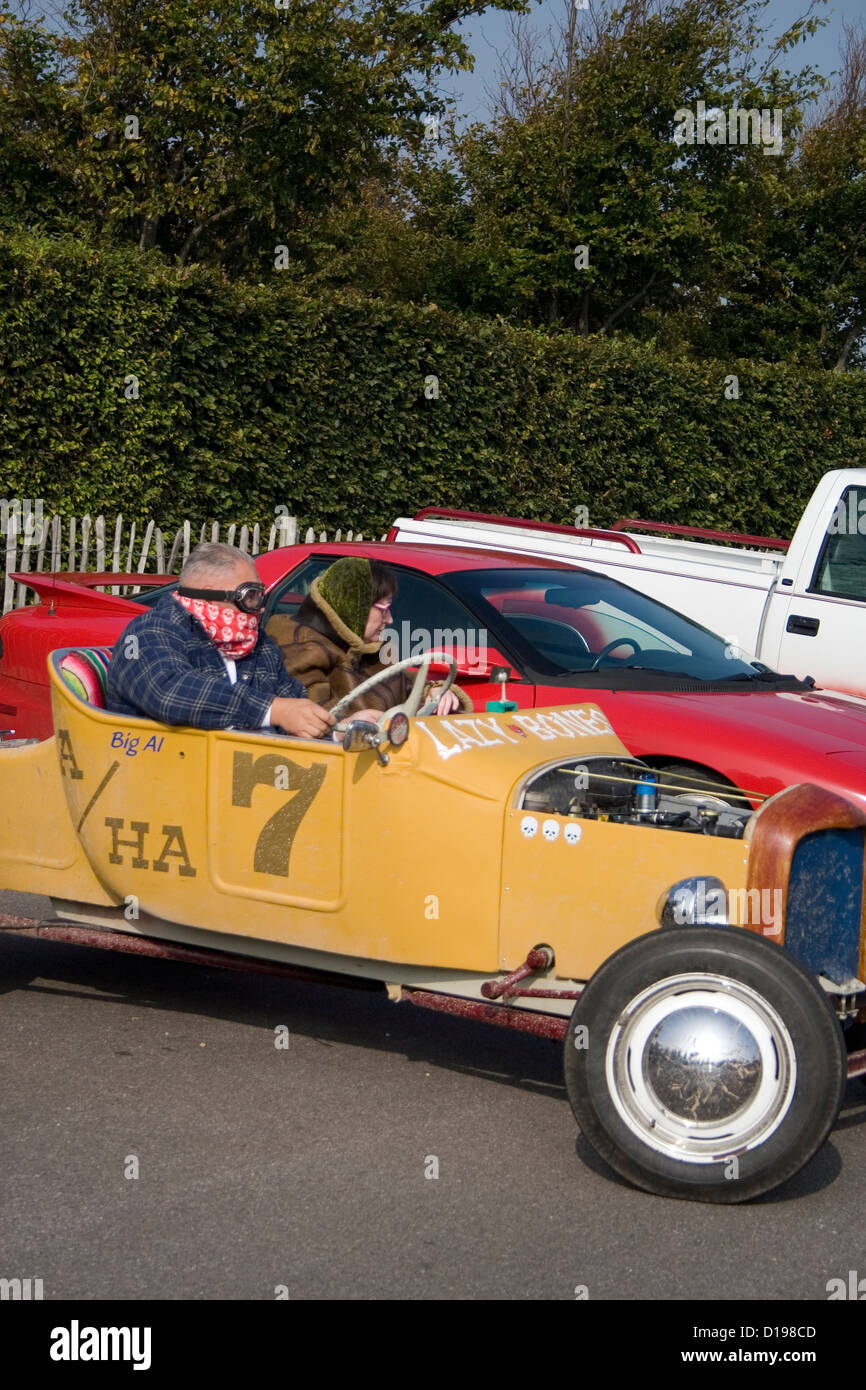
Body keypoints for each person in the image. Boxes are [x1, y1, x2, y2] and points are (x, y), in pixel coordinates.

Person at [106, 542, 335, 739]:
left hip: (242, 772)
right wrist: (272, 710)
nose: (261, 606)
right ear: (210, 595)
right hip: (160, 770)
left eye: (260, 595)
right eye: (250, 596)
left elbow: (292, 700)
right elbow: (169, 692)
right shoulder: (148, 632)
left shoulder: (256, 643)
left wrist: (339, 728)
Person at [267, 557, 473, 722]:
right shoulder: (301, 648)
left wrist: (433, 692)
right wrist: (348, 721)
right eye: (383, 609)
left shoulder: (371, 650)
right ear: (354, 608)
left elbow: (402, 686)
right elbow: (307, 712)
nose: (390, 619)